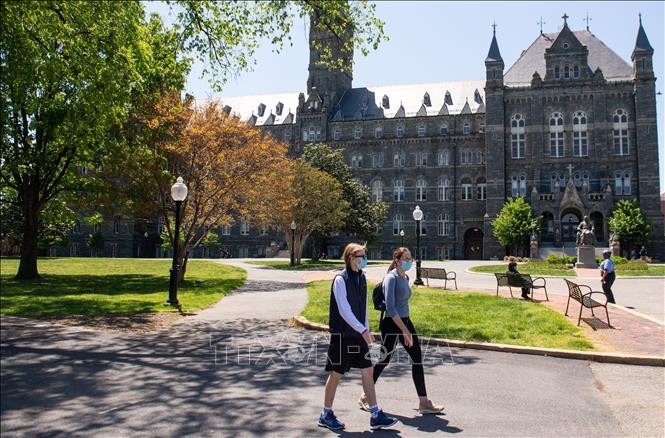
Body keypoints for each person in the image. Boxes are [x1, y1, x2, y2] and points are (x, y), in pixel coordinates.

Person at [319, 243, 398, 431]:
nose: (364, 259)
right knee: (336, 374)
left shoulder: (361, 277)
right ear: (351, 258)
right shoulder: (340, 279)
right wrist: (362, 330)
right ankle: (326, 414)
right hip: (343, 335)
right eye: (361, 256)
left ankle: (375, 414)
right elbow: (344, 310)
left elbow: (363, 310)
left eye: (365, 255)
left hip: (359, 334)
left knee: (368, 371)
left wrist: (366, 330)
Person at [358, 247, 444, 415]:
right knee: (384, 360)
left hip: (405, 321)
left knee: (417, 358)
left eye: (410, 258)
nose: (409, 261)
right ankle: (365, 396)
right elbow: (390, 308)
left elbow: (402, 303)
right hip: (392, 324)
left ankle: (424, 402)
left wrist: (406, 327)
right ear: (397, 260)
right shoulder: (391, 278)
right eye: (405, 259)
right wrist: (404, 330)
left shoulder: (405, 277)